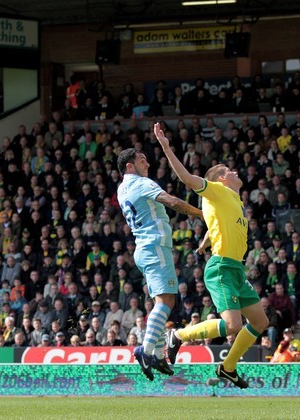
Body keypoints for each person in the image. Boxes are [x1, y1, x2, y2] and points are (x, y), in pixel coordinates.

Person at [154, 123, 269, 389]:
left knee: (261, 321)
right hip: (222, 269)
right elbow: (186, 178)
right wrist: (166, 147)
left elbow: (216, 223)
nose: (236, 171)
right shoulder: (218, 191)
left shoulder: (235, 203)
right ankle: (178, 336)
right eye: (229, 171)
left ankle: (228, 368)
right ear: (220, 179)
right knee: (232, 325)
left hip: (236, 271)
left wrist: (207, 239)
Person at [117, 148, 203, 381]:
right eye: (142, 160)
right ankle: (146, 352)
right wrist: (203, 214)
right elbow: (172, 201)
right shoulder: (141, 184)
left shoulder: (122, 188)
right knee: (166, 302)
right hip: (155, 247)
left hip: (144, 249)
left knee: (161, 302)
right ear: (129, 166)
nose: (148, 165)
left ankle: (156, 354)